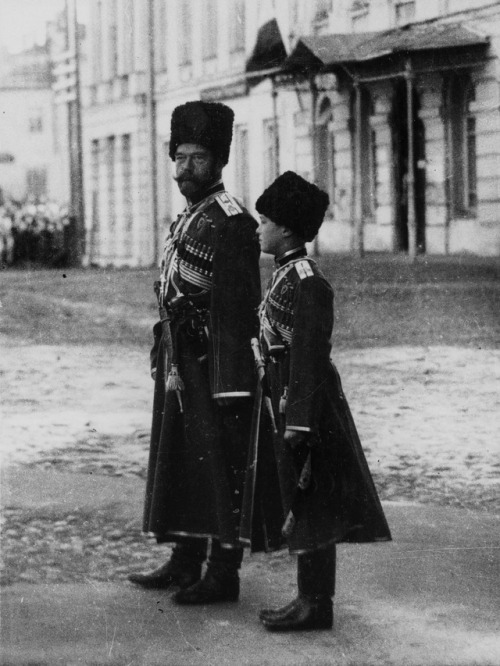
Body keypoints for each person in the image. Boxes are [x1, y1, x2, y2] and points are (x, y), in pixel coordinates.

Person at [239, 171, 391, 631]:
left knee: (315, 506)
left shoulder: (306, 281)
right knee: (307, 505)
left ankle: (315, 603)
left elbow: (308, 357)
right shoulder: (286, 273)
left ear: (286, 229)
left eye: (264, 221)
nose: (258, 228)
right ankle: (309, 598)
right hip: (290, 405)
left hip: (310, 412)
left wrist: (298, 422)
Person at [128, 101, 261, 605]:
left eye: (198, 159)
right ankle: (184, 561)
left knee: (217, 463)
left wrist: (231, 383)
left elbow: (239, 307)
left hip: (211, 367)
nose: (185, 169)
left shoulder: (231, 221)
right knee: (181, 459)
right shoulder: (190, 216)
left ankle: (222, 572)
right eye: (179, 158)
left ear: (220, 161)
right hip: (179, 360)